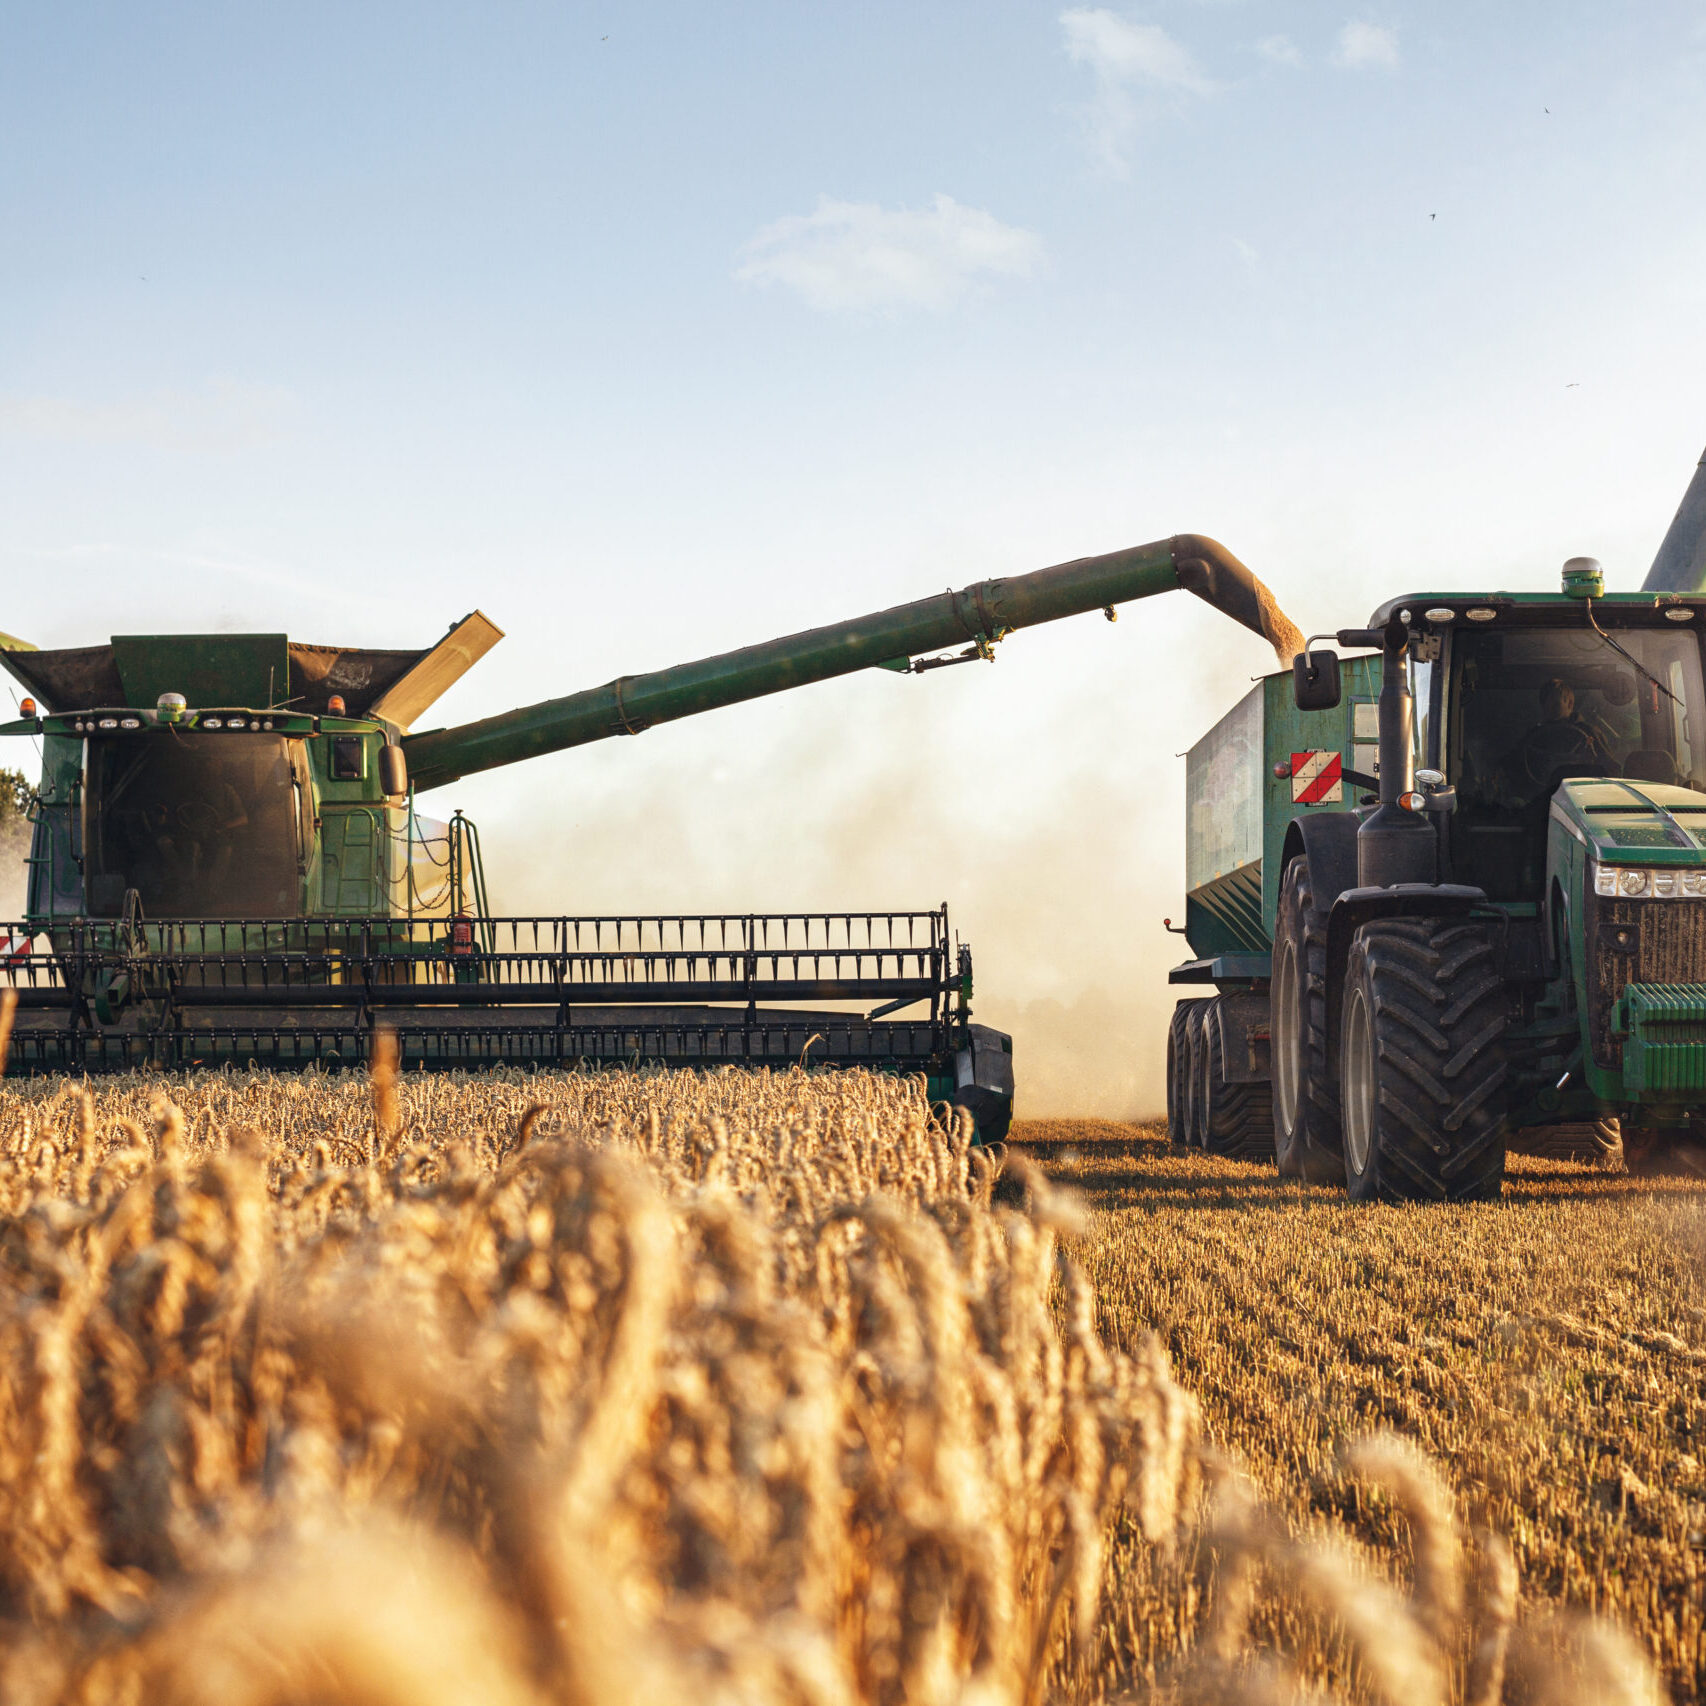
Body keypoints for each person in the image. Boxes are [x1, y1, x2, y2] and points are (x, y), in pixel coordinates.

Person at [1509, 676, 1611, 797]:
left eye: (1555, 704)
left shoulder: (1589, 733)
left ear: (1570, 704)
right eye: (1545, 704)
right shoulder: (1534, 738)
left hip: (1584, 796)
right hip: (1544, 797)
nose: (1549, 709)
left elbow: (1610, 769)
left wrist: (1591, 761)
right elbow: (1516, 767)